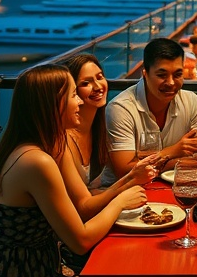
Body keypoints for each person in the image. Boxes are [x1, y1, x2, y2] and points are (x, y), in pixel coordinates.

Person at [0, 64, 165, 277]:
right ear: (53, 104)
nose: (79, 101)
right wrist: (120, 201)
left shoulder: (47, 143)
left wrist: (129, 181)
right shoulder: (36, 161)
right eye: (74, 94)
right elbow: (81, 241)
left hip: (36, 269)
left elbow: (82, 209)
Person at [61, 53, 165, 220]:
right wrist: (129, 182)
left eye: (100, 77)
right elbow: (79, 205)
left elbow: (87, 190)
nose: (98, 86)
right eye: (86, 83)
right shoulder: (65, 139)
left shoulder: (99, 128)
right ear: (71, 91)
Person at [104, 38, 197, 185]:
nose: (170, 82)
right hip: (124, 192)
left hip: (175, 187)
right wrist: (172, 152)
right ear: (145, 73)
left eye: (177, 74)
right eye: (162, 75)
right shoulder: (121, 109)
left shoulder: (191, 101)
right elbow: (125, 171)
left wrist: (151, 161)